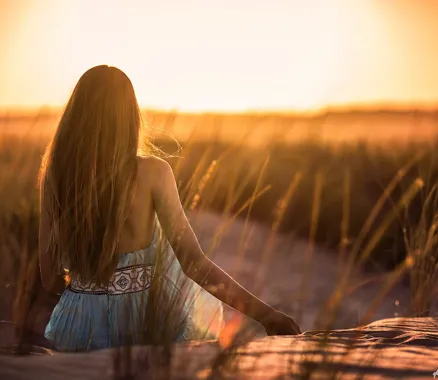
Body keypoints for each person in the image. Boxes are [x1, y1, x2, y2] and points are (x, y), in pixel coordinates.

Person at [38, 65, 300, 352]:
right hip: (139, 318)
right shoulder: (153, 172)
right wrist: (266, 315)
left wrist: (89, 292)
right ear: (129, 115)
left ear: (76, 116)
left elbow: (49, 277)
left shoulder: (56, 177)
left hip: (76, 320)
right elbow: (194, 263)